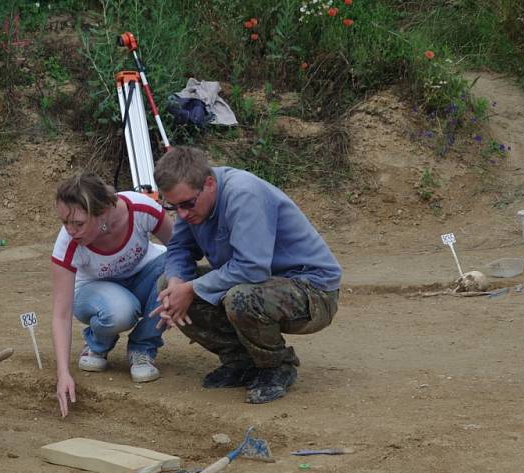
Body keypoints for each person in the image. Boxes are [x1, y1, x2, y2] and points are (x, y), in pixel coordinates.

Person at [151, 147, 341, 404]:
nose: (181, 214)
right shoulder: (192, 200)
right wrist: (176, 284)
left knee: (240, 297)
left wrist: (191, 289)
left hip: (313, 290)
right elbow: (179, 249)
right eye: (173, 206)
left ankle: (277, 366)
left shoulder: (243, 193)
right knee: (169, 284)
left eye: (186, 204)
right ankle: (241, 362)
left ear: (209, 183)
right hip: (260, 285)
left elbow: (252, 268)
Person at [51, 173, 173, 417]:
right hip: (93, 292)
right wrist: (63, 373)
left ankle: (142, 349)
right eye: (65, 222)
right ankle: (97, 343)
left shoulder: (140, 209)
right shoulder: (68, 243)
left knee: (172, 274)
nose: (70, 230)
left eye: (78, 223)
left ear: (104, 212)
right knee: (119, 311)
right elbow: (61, 314)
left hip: (145, 276)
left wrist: (177, 290)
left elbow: (181, 249)